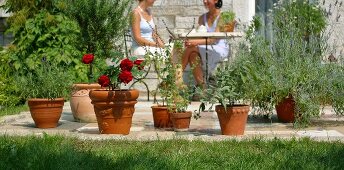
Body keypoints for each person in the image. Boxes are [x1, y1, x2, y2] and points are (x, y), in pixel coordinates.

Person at [181, 0, 229, 88]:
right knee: (192, 55)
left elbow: (213, 40)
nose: (204, 1)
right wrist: (190, 40)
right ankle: (203, 89)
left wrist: (194, 42)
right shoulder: (202, 18)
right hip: (205, 47)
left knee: (191, 49)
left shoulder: (223, 17)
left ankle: (175, 79)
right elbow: (199, 37)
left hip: (219, 48)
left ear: (216, 1)